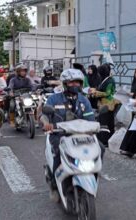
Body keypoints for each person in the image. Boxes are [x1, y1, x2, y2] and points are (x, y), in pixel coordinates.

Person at [40, 68, 95, 200]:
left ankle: (93, 174)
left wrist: (95, 127)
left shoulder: (84, 100)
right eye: (71, 82)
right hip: (59, 135)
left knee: (101, 149)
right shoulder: (54, 99)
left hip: (80, 135)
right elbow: (44, 115)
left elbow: (90, 119)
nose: (75, 85)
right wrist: (47, 123)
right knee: (59, 154)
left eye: (77, 82)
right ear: (65, 84)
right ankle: (54, 184)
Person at [89, 63, 120, 146]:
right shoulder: (105, 80)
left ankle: (106, 140)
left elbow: (107, 93)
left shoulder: (110, 81)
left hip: (108, 104)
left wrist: (96, 92)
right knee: (103, 121)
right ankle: (103, 139)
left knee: (107, 123)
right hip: (103, 104)